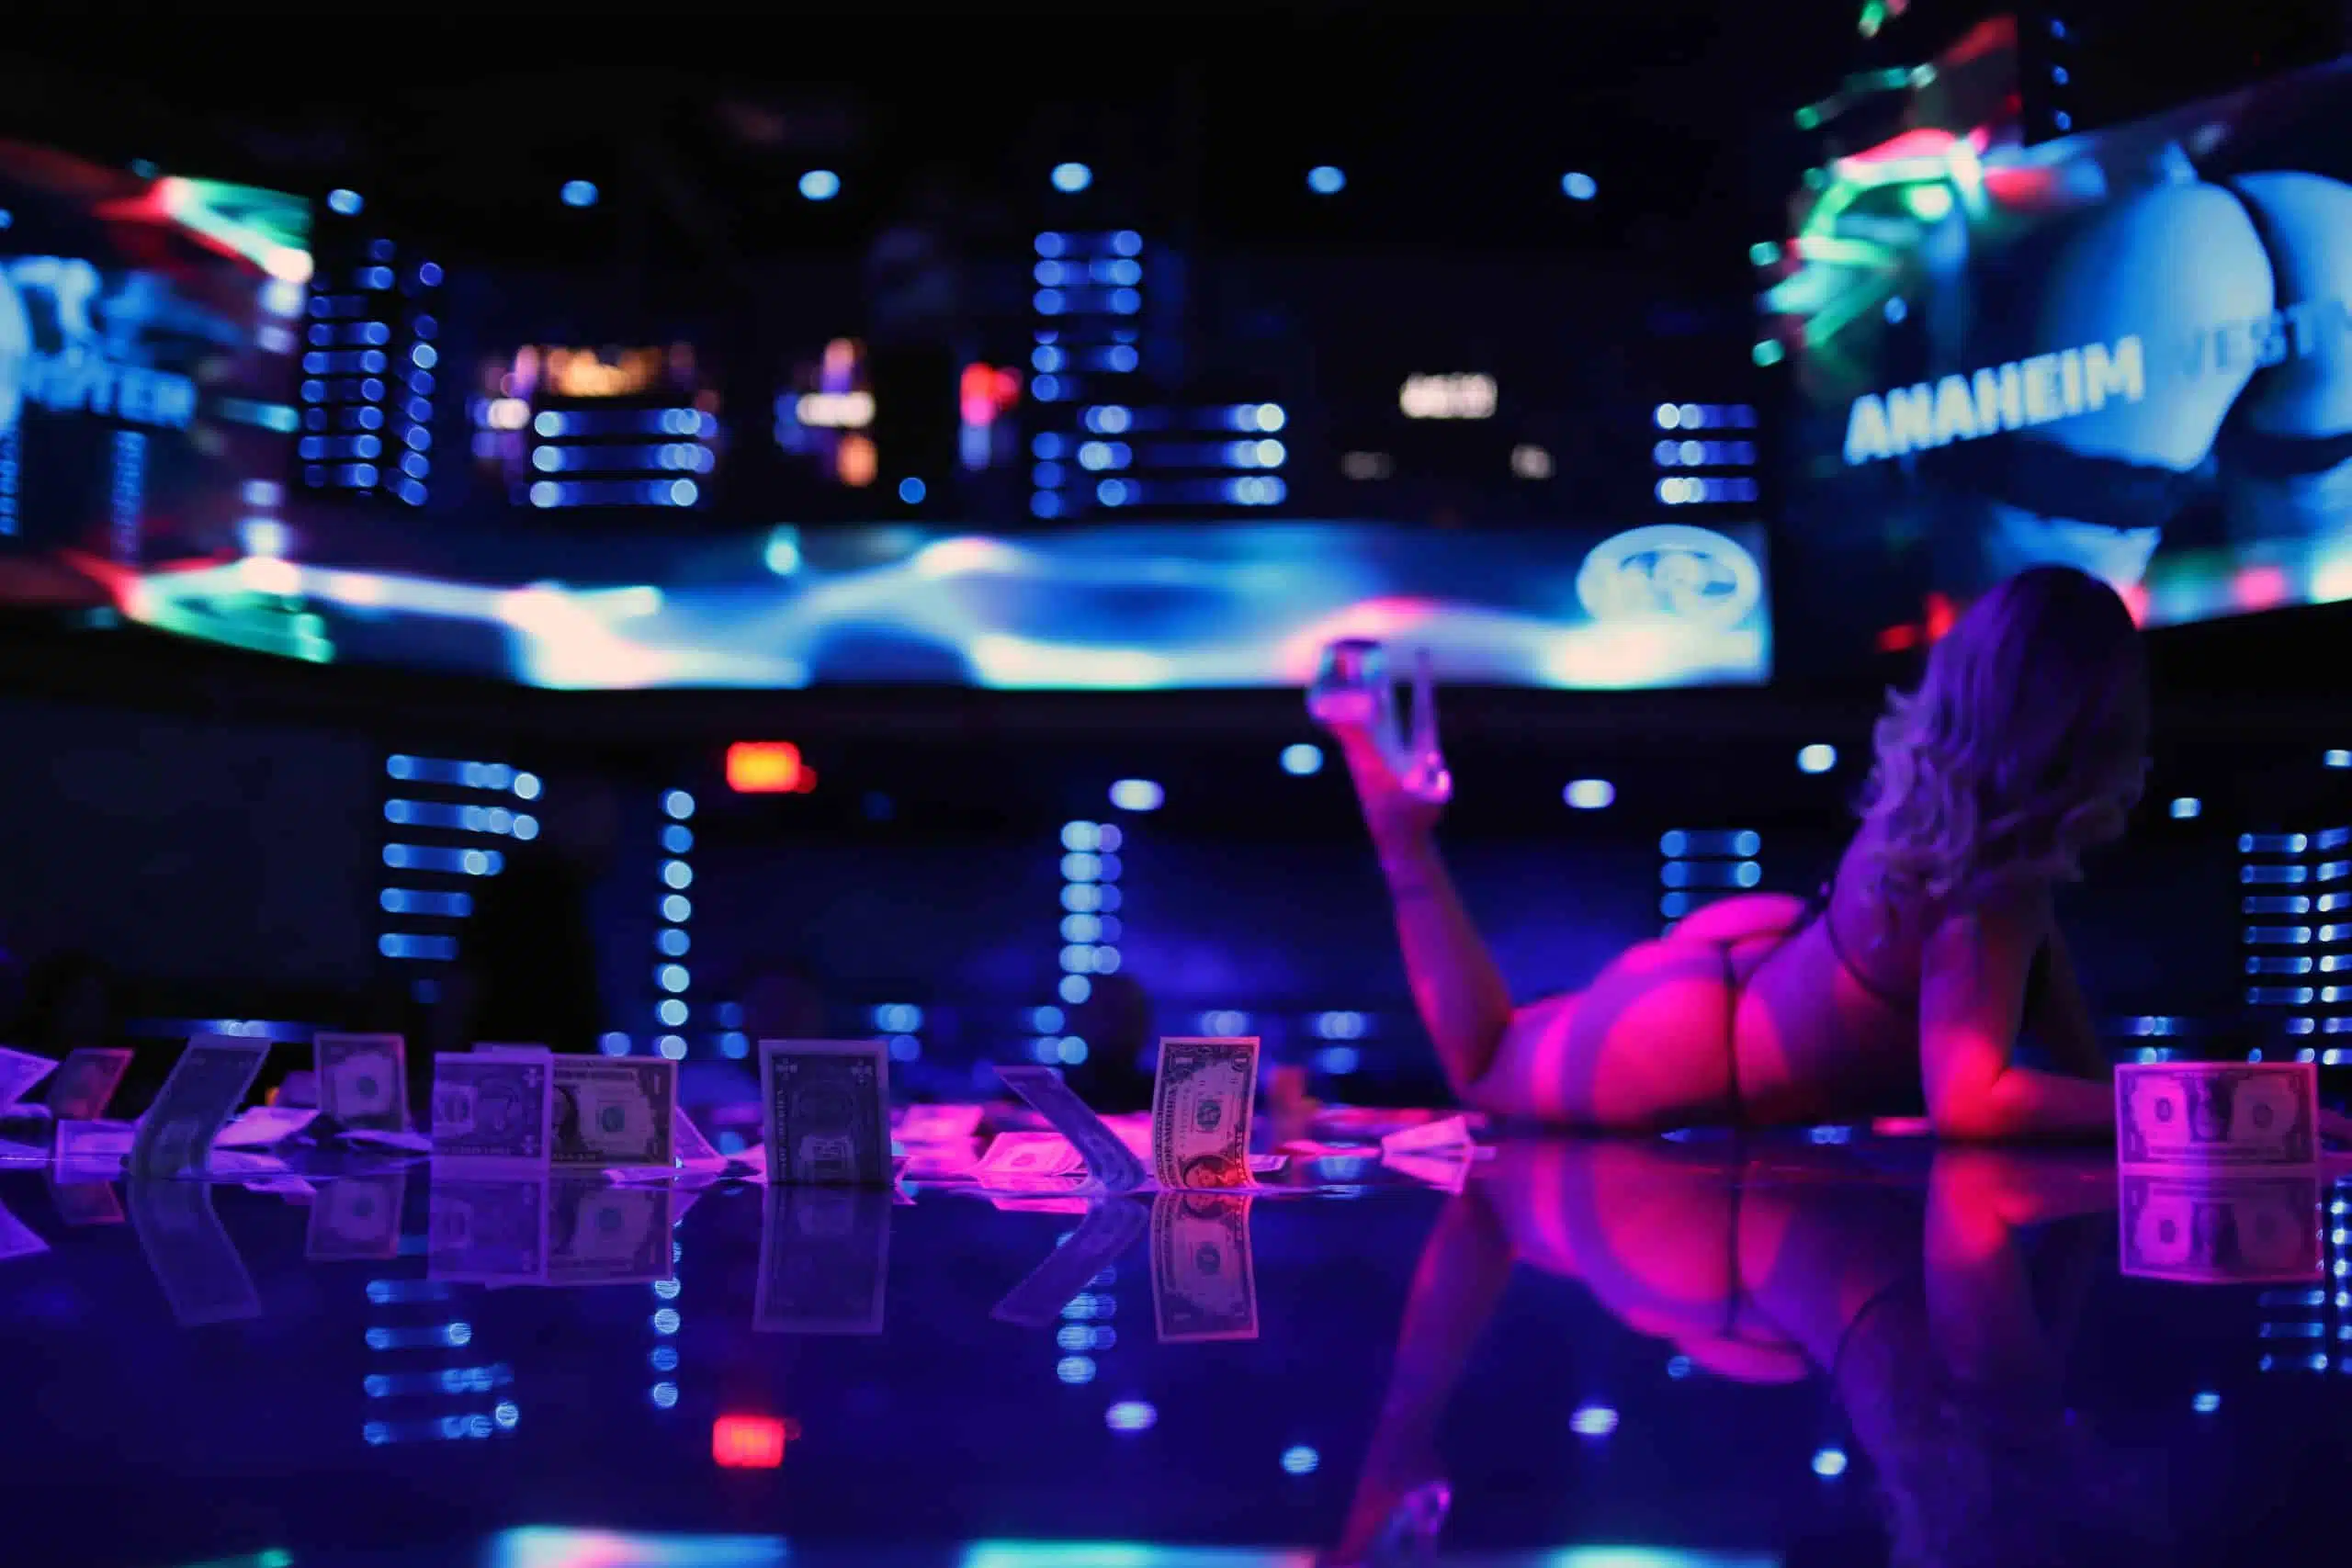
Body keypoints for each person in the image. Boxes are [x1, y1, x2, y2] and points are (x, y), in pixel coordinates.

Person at [1330, 565, 2325, 1138]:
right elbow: (1970, 1101)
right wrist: (2209, 1110)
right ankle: (1398, 834)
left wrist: (2124, 1095)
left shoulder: (1970, 838)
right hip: (1697, 1044)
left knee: (1501, 1046)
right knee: (1481, 1066)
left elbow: (2037, 974)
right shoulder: (1990, 890)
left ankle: (1401, 832)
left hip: (1732, 986)